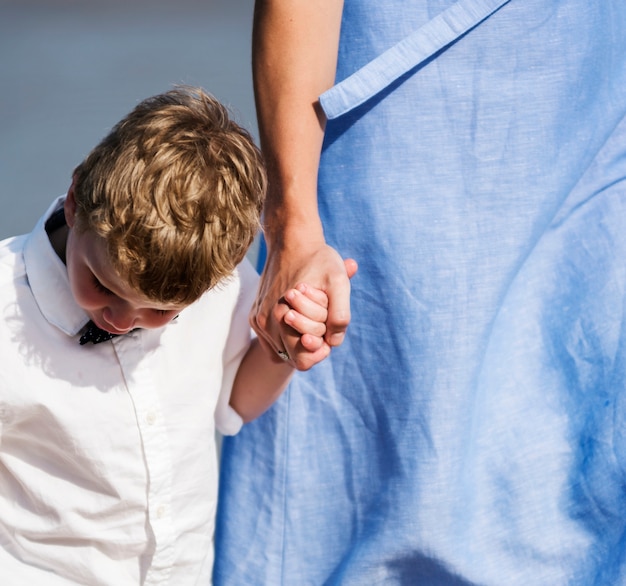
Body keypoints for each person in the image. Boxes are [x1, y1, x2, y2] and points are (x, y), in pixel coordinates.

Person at [214, 0, 626, 584]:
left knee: (585, 483)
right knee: (385, 472)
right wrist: (294, 222)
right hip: (407, 112)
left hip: (602, 118)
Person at [0, 85, 331, 585]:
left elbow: (235, 402)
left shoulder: (216, 282)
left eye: (160, 310)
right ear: (75, 201)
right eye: (101, 286)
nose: (121, 318)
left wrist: (281, 349)